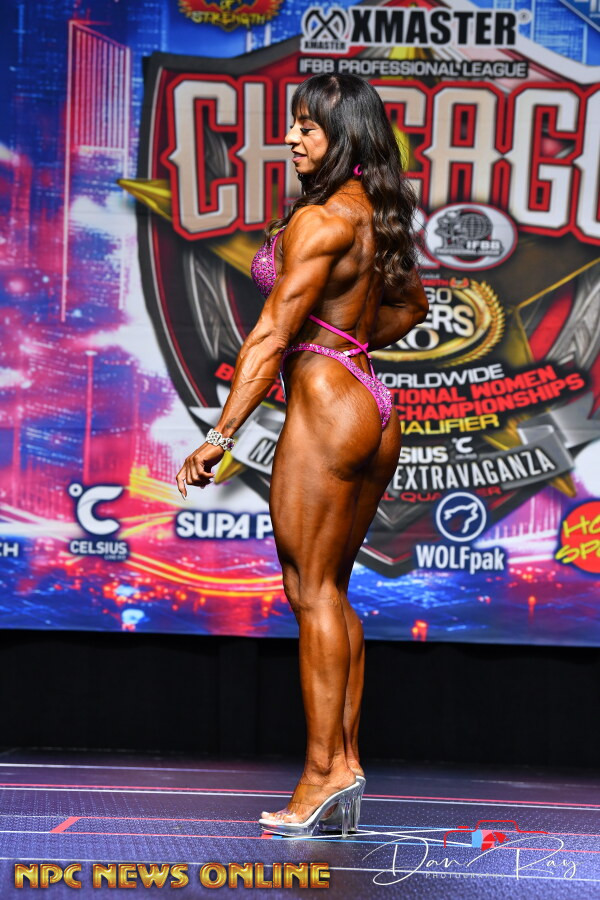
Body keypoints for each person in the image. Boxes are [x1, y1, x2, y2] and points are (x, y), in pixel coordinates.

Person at [176, 73, 429, 837]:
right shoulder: (373, 213)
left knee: (310, 591)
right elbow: (410, 305)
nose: (291, 137)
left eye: (308, 127)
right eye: (292, 123)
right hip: (369, 401)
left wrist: (221, 435)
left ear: (343, 136)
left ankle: (320, 776)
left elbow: (270, 334)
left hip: (326, 405)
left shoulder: (322, 221)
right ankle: (344, 766)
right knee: (333, 591)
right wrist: (346, 344)